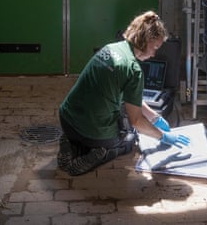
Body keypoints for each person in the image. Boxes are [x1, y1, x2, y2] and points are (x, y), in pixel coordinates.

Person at [57, 10, 190, 176]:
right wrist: (163, 136)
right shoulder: (134, 70)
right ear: (147, 40)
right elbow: (136, 122)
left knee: (113, 114)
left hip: (67, 118)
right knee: (129, 140)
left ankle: (73, 143)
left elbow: (128, 97)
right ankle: (98, 154)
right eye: (155, 47)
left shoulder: (111, 48)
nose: (154, 54)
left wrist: (154, 117)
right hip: (90, 131)